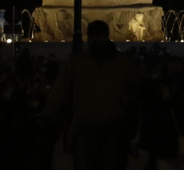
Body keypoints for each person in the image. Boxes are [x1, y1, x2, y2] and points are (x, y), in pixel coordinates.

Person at [44, 20, 141, 170]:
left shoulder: (78, 61)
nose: (95, 40)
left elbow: (60, 92)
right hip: (99, 125)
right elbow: (61, 91)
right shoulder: (121, 62)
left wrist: (50, 116)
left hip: (101, 125)